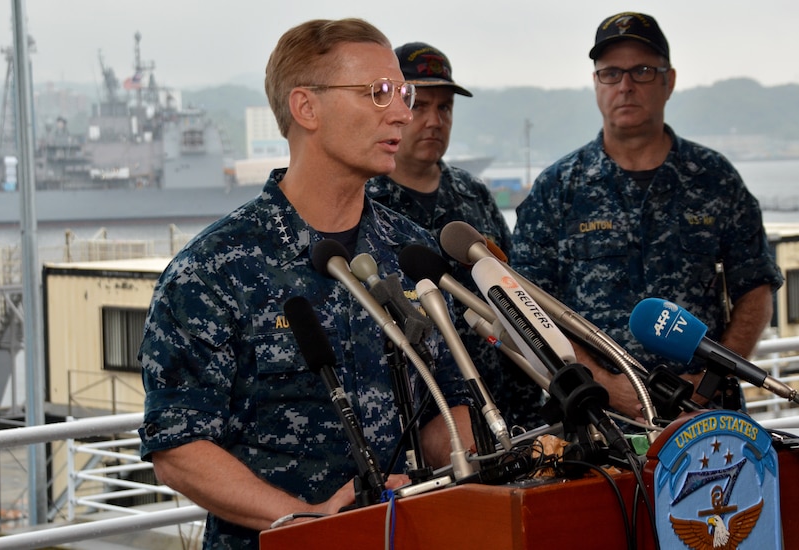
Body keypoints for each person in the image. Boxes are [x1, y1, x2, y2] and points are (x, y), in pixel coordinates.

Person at [138, 19, 475, 548]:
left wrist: (471, 463)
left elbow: (445, 404)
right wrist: (308, 521)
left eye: (402, 94)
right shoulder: (212, 270)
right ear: (306, 108)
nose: (403, 113)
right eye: (378, 93)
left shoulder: (411, 254)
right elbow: (179, 448)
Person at [509, 12, 783, 420]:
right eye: (610, 73)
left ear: (668, 81)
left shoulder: (714, 180)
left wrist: (708, 382)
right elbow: (528, 306)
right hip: (598, 422)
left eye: (641, 71)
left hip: (707, 417)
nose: (625, 86)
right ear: (595, 84)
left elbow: (756, 290)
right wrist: (603, 383)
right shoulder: (557, 189)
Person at [366, 42, 545, 431]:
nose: (434, 120)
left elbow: (512, 299)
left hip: (499, 411)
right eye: (420, 105)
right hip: (415, 422)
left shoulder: (473, 195)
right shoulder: (364, 203)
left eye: (444, 108)